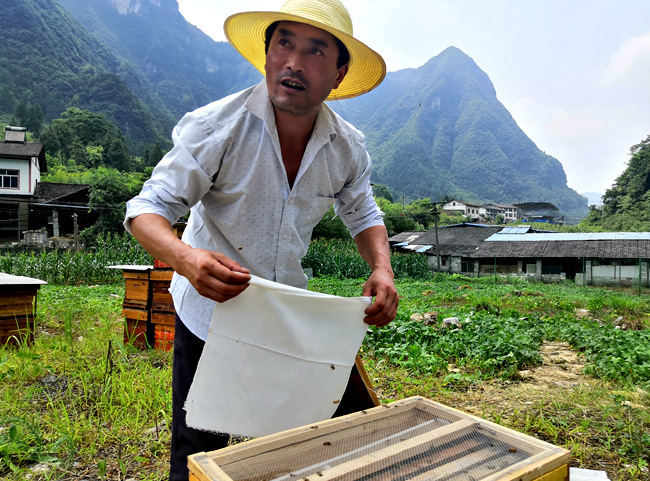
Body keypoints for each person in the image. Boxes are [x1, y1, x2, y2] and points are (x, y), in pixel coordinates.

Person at [124, 0, 398, 478]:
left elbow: (363, 211)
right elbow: (146, 209)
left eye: (315, 50)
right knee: (198, 443)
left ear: (339, 72)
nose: (293, 62)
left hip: (284, 306)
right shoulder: (217, 127)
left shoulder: (347, 146)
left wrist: (382, 267)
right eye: (283, 44)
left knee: (301, 435)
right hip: (211, 304)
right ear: (267, 54)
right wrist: (186, 259)